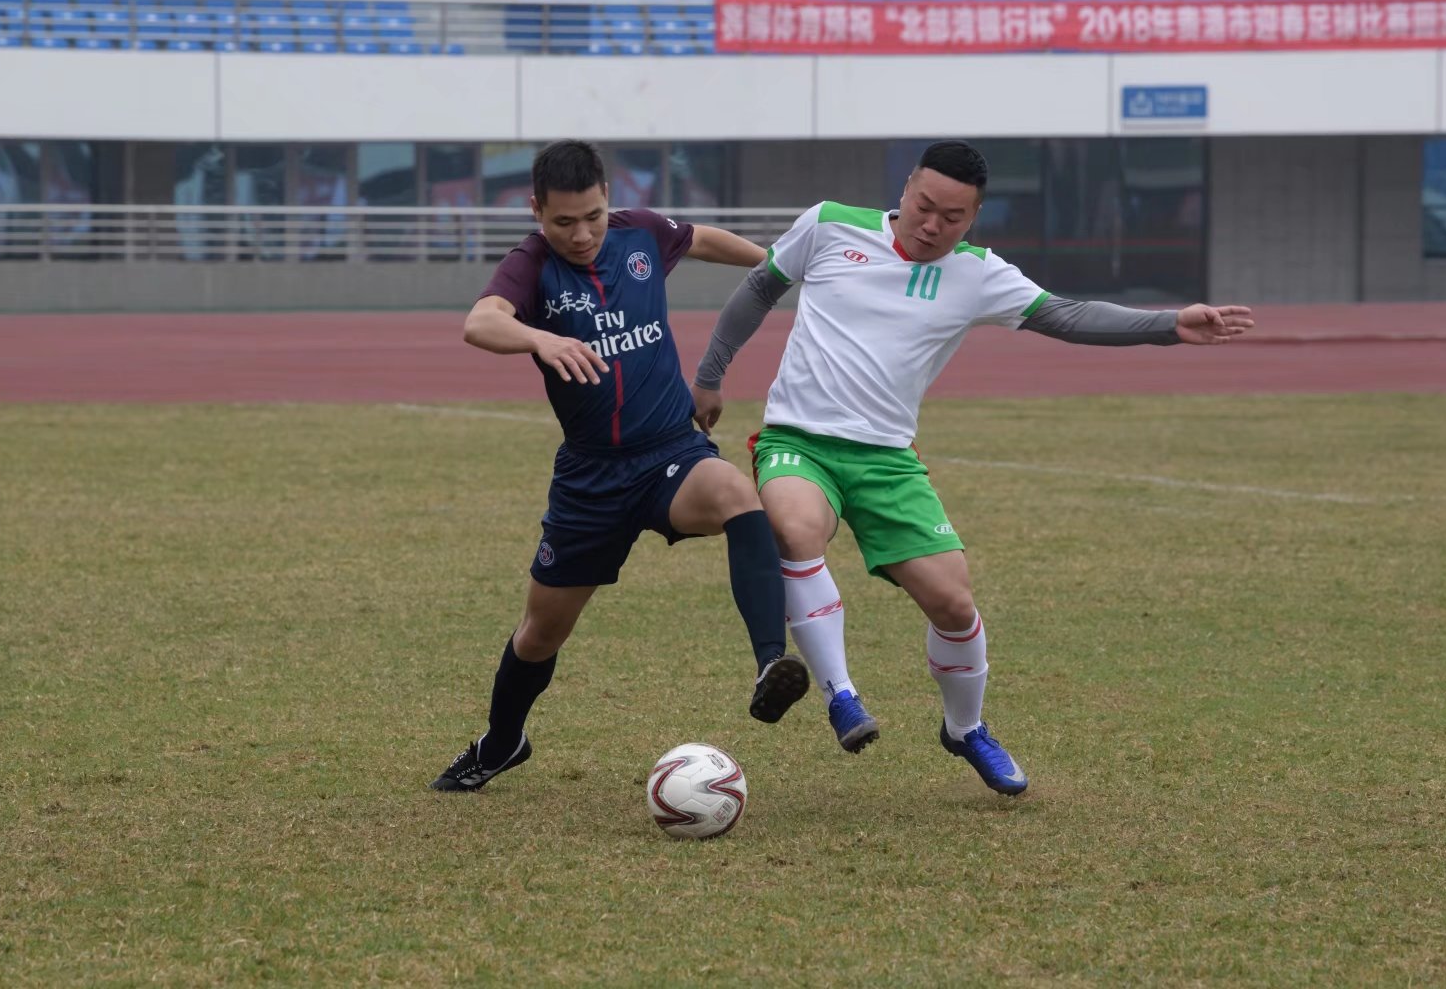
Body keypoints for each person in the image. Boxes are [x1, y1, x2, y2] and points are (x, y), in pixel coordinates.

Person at [691, 140, 1254, 796]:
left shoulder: (978, 273)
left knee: (954, 604)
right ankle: (842, 695)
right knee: (792, 527)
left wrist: (1166, 325)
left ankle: (965, 729)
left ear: (973, 218)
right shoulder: (829, 223)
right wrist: (709, 375)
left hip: (888, 459)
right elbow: (760, 289)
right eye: (925, 206)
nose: (933, 225)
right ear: (906, 189)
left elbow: (1066, 316)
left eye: (953, 217)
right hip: (799, 439)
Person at [432, 140, 810, 793]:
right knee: (540, 633)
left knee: (738, 496)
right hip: (590, 480)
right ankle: (502, 743)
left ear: (610, 203)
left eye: (594, 217)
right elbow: (480, 322)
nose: (581, 235)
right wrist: (541, 337)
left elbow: (702, 239)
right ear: (536, 211)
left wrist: (780, 268)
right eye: (564, 222)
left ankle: (769, 664)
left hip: (672, 453)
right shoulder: (532, 265)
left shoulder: (640, 233)